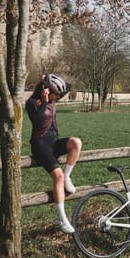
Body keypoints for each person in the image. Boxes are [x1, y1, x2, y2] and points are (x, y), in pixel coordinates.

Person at [26, 73, 82, 233]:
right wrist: (44, 102)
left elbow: (67, 86)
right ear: (46, 91)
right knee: (57, 176)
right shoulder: (31, 103)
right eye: (55, 94)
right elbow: (37, 122)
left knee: (76, 142)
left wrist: (47, 77)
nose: (58, 97)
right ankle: (62, 218)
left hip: (53, 141)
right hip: (40, 144)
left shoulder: (53, 96)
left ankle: (68, 177)